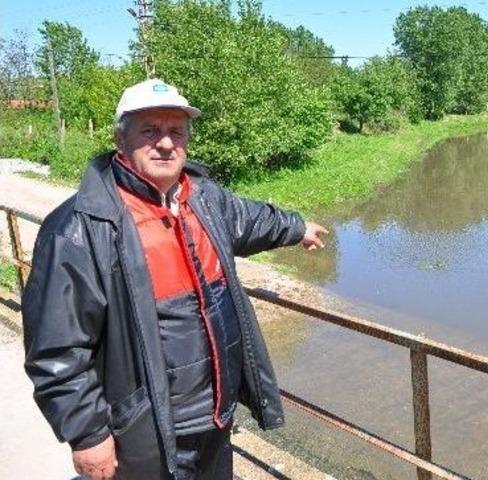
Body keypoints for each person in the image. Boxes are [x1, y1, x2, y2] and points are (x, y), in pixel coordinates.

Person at [22, 78, 328, 480]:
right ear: (120, 139)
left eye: (175, 132)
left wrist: (295, 227)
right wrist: (87, 434)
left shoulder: (202, 197)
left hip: (216, 417)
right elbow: (56, 349)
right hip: (149, 433)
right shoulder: (79, 229)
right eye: (149, 131)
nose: (165, 143)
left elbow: (248, 219)